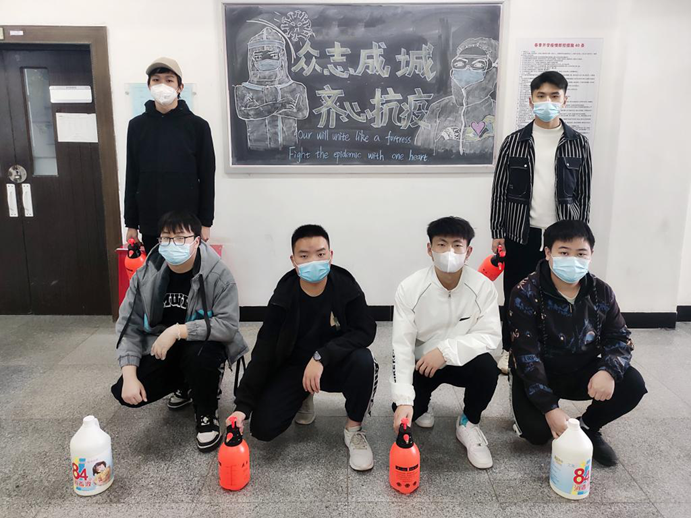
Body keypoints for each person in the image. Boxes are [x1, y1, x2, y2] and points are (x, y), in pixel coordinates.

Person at [228, 225, 378, 471]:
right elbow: (264, 350)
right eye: (304, 256)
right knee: (263, 429)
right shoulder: (284, 294)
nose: (313, 261)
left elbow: (366, 330)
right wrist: (242, 407)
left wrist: (321, 356)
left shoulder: (345, 285)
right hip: (296, 367)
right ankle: (304, 395)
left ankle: (354, 430)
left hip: (336, 362)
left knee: (364, 361)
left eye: (320, 254)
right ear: (293, 260)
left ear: (330, 255)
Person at [508, 220, 647, 466]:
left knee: (632, 383)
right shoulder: (525, 292)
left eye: (581, 253)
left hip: (582, 367)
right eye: (564, 252)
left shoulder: (601, 292)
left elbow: (619, 338)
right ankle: (527, 401)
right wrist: (549, 408)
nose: (572, 259)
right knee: (537, 434)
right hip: (540, 371)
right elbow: (526, 354)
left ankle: (587, 426)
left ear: (591, 254)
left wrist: (608, 371)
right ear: (548, 252)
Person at [111, 211, 247, 452]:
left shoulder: (218, 274)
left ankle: (206, 412)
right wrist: (130, 375)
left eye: (181, 238)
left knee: (199, 356)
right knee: (126, 392)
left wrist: (178, 331)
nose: (172, 244)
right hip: (163, 346)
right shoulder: (146, 274)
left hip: (203, 345)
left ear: (196, 241)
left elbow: (228, 325)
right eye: (166, 238)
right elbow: (128, 326)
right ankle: (186, 383)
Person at [491, 71, 593, 374]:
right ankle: (510, 349)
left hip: (562, 235)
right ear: (531, 100)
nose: (547, 101)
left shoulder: (578, 143)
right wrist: (498, 231)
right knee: (516, 292)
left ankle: (555, 347)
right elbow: (499, 190)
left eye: (554, 96)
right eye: (541, 96)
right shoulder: (514, 142)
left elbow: (584, 192)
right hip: (522, 230)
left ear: (565, 100)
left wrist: (582, 235)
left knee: (560, 292)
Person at [391, 216, 501, 469]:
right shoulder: (410, 288)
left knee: (488, 368)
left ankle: (468, 422)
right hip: (423, 364)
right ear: (429, 249)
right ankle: (423, 404)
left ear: (468, 251)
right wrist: (404, 399)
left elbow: (490, 335)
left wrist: (445, 351)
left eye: (457, 245)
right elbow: (401, 345)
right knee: (407, 412)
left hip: (463, 361)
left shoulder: (482, 287)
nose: (449, 252)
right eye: (441, 244)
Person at [124, 57, 216, 253]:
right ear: (149, 86)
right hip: (150, 221)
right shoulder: (137, 126)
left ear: (180, 87)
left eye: (169, 80)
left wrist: (206, 222)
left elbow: (207, 176)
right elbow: (132, 175)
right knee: (155, 270)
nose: (162, 85)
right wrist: (131, 223)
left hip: (187, 222)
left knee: (187, 269)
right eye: (156, 80)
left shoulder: (198, 126)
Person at [415, 37, 498, 158]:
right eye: (460, 63)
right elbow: (421, 152)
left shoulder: (498, 112)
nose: (467, 69)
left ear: (492, 73)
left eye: (478, 64)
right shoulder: (438, 109)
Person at [234, 27, 309, 151]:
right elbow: (245, 113)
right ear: (252, 59)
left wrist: (263, 109)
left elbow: (302, 113)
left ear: (282, 57)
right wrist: (280, 106)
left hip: (290, 148)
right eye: (259, 56)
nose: (266, 60)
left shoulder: (296, 88)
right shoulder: (243, 89)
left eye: (272, 55)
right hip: (256, 149)